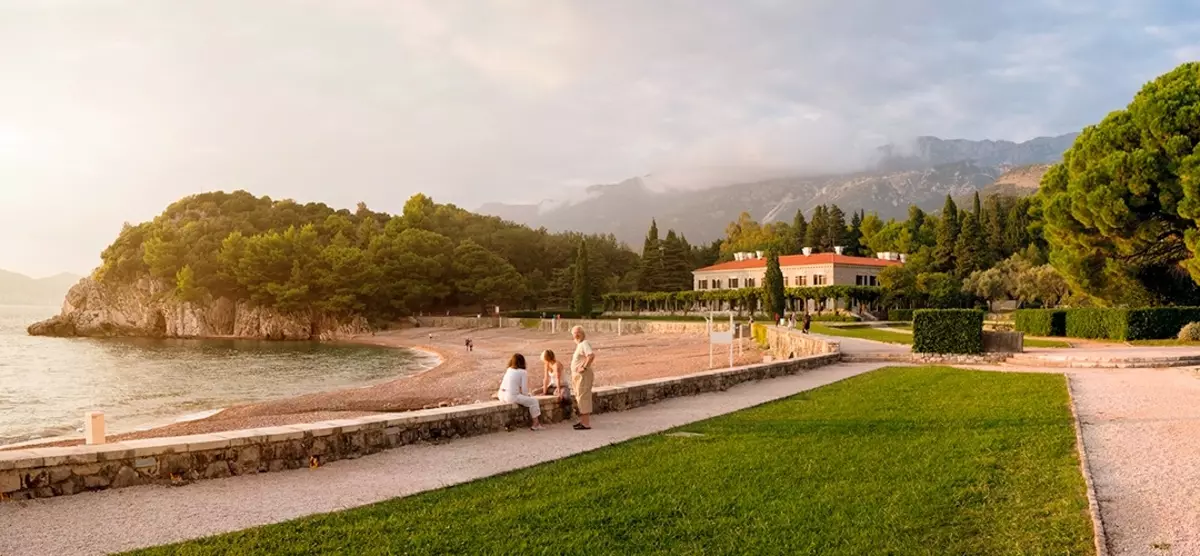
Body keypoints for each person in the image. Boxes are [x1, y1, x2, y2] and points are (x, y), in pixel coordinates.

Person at [497, 353, 543, 431]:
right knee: (534, 401)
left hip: (502, 395)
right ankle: (536, 424)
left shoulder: (509, 369)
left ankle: (536, 424)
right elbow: (524, 390)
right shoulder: (523, 372)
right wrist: (527, 396)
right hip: (512, 396)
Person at [570, 326, 595, 430]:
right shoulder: (580, 345)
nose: (576, 335)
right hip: (579, 376)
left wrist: (584, 367)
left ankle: (586, 423)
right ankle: (583, 421)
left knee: (583, 397)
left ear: (583, 333)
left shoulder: (584, 343)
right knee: (580, 397)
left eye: (578, 332)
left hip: (583, 375)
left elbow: (591, 355)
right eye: (574, 333)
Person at [541, 349, 573, 417]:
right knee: (536, 392)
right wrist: (544, 391)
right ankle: (555, 392)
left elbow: (557, 379)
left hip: (562, 386)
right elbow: (546, 378)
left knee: (565, 397)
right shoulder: (547, 364)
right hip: (552, 386)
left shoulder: (557, 364)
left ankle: (569, 413)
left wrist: (559, 392)